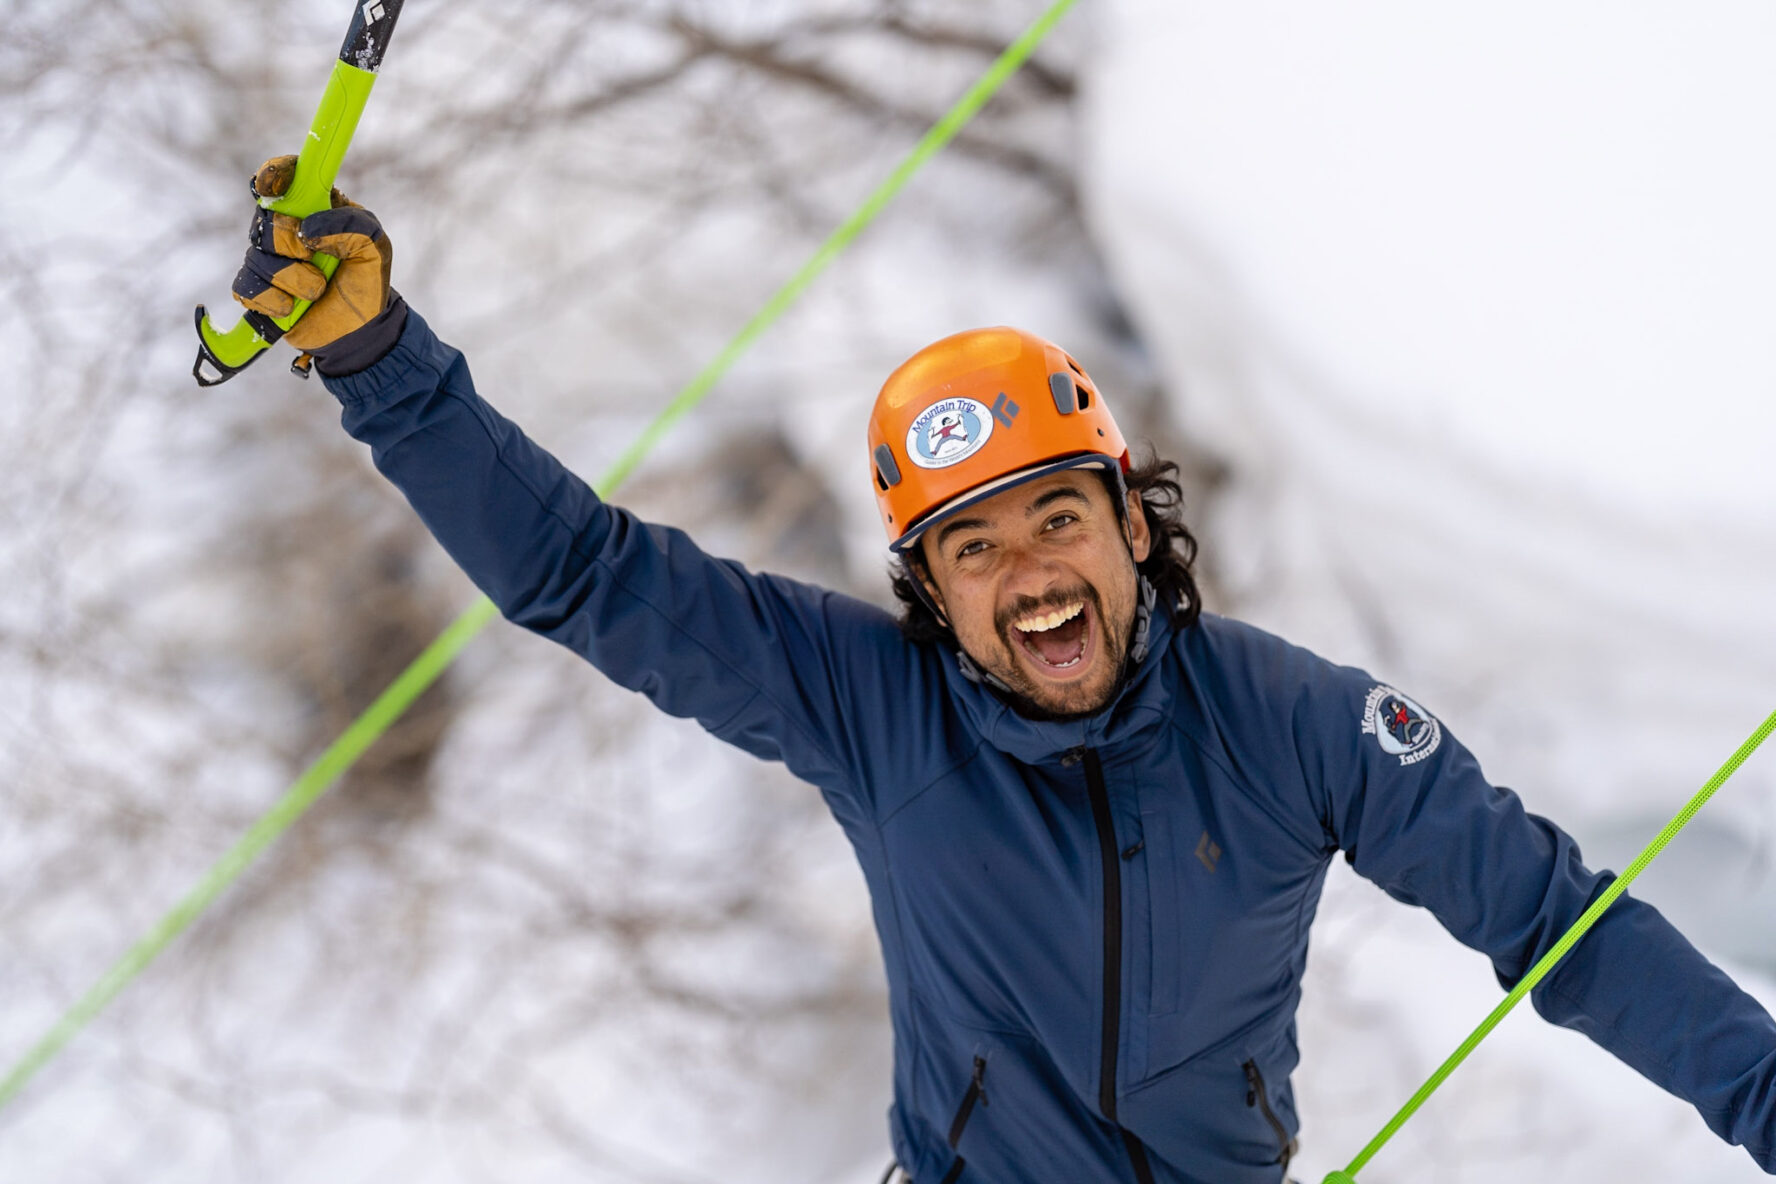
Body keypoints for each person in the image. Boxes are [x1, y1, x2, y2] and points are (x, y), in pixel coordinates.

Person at [230, 160, 1776, 1183]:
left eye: (1057, 515)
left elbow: (1554, 920)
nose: (1028, 570)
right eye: (971, 549)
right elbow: (583, 572)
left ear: (1131, 523)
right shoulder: (872, 707)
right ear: (932, 594)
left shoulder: (1294, 720)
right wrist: (382, 365)